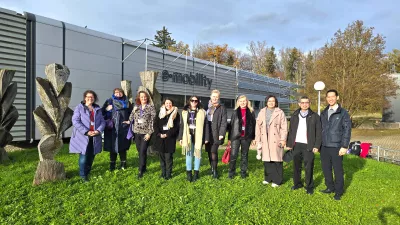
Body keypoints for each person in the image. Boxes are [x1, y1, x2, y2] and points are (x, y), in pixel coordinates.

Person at [286, 96, 322, 194]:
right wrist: (289, 143)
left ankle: (309, 186)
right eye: (302, 103)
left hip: (308, 145)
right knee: (296, 165)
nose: (304, 104)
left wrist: (316, 146)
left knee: (308, 166)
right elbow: (291, 130)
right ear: (299, 104)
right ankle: (297, 183)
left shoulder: (315, 116)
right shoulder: (294, 115)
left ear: (309, 103)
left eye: (306, 102)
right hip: (296, 144)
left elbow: (319, 132)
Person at [320, 89, 351, 200]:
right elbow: (321, 129)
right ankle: (330, 187)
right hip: (324, 146)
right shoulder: (324, 112)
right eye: (328, 97)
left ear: (337, 97)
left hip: (337, 146)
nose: (330, 99)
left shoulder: (343, 113)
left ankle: (338, 191)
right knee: (326, 169)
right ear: (326, 98)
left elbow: (347, 130)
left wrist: (344, 146)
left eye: (333, 96)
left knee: (337, 170)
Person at [69, 90, 105, 182]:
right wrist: (86, 131)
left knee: (92, 155)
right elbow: (75, 121)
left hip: (95, 136)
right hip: (83, 136)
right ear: (85, 98)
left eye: (92, 97)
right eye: (88, 97)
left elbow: (102, 121)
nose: (90, 98)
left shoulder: (97, 108)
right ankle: (82, 175)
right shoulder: (79, 108)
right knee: (84, 156)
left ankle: (87, 171)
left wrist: (98, 130)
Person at [255, 95, 287, 187]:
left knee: (277, 160)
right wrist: (257, 139)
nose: (271, 103)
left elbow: (284, 127)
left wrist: (283, 139)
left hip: (276, 139)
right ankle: (268, 178)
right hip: (265, 139)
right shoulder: (262, 112)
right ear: (266, 102)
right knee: (267, 160)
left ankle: (277, 180)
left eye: (273, 101)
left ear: (276, 102)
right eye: (269, 101)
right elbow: (257, 126)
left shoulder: (280, 112)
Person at [102, 88, 132, 171]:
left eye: (120, 92)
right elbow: (101, 112)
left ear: (123, 93)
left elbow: (132, 113)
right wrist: (106, 109)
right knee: (112, 147)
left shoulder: (127, 102)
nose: (118, 93)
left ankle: (123, 164)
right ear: (114, 93)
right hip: (112, 128)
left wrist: (129, 121)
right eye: (116, 92)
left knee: (122, 146)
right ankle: (112, 164)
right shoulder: (109, 101)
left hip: (123, 127)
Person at [178, 96, 207, 182]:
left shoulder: (202, 112)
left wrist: (206, 138)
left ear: (198, 102)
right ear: (189, 101)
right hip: (188, 136)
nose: (194, 102)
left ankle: (196, 174)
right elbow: (182, 126)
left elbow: (205, 126)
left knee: (197, 155)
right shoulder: (184, 112)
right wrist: (180, 138)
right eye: (192, 100)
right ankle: (189, 174)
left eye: (196, 101)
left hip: (198, 137)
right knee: (189, 155)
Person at [129, 90, 156, 178]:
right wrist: (133, 111)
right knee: (139, 150)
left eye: (145, 97)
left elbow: (153, 121)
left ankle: (140, 170)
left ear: (147, 98)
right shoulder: (136, 107)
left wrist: (149, 133)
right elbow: (130, 118)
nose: (143, 98)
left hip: (145, 133)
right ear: (139, 98)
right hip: (137, 132)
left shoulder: (151, 107)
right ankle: (144, 167)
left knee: (142, 151)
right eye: (141, 97)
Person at [227, 95, 256, 179]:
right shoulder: (235, 112)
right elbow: (231, 126)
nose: (242, 102)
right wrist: (229, 138)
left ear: (247, 102)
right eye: (241, 101)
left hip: (246, 137)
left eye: (244, 101)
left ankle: (243, 172)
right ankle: (231, 172)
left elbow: (253, 125)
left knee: (244, 155)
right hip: (235, 136)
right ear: (238, 102)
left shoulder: (251, 112)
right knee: (233, 154)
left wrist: (253, 138)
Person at [153, 98, 180, 180]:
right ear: (164, 104)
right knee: (161, 157)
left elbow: (176, 127)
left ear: (172, 104)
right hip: (160, 138)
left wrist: (167, 134)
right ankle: (163, 172)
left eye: (170, 103)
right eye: (167, 103)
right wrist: (159, 134)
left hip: (170, 138)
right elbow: (155, 125)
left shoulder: (176, 113)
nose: (168, 104)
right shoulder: (159, 112)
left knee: (168, 158)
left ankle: (168, 174)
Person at [205, 89, 227, 179]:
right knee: (209, 152)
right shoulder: (207, 107)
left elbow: (224, 122)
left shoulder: (222, 108)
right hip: (207, 131)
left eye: (216, 97)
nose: (215, 98)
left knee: (214, 151)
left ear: (218, 98)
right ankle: (212, 167)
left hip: (216, 133)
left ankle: (215, 170)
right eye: (213, 96)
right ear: (211, 97)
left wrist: (221, 133)